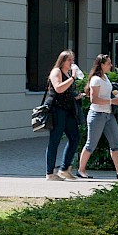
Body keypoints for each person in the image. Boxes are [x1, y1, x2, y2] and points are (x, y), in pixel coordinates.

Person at [74, 54, 118, 181]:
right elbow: (93, 99)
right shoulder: (96, 79)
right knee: (91, 144)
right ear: (101, 65)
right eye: (108, 63)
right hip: (97, 115)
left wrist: (116, 98)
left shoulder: (105, 77)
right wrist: (112, 101)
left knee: (115, 143)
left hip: (108, 115)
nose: (111, 65)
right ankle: (81, 170)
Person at [44, 50, 81, 181]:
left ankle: (65, 169)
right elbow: (59, 88)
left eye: (73, 60)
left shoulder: (68, 73)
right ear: (62, 61)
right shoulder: (57, 72)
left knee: (75, 137)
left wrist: (77, 96)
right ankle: (50, 172)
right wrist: (72, 78)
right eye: (69, 60)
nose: (72, 62)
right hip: (57, 110)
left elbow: (67, 92)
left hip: (68, 110)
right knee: (55, 140)